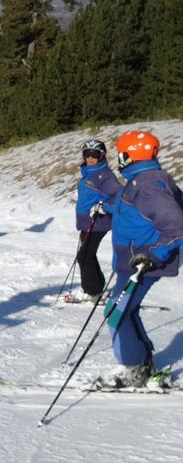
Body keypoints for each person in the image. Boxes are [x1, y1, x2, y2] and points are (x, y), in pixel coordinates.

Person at [93, 131, 183, 389]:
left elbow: (176, 226)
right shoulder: (140, 181)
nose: (118, 159)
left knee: (116, 313)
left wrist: (154, 256)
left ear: (131, 154)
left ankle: (134, 370)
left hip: (143, 265)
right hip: (132, 262)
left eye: (121, 153)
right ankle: (142, 363)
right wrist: (106, 208)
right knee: (124, 310)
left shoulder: (147, 185)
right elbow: (131, 209)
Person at [69, 139, 122, 302]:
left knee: (84, 256)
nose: (90, 157)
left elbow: (119, 198)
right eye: (87, 154)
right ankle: (97, 287)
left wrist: (103, 206)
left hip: (99, 221)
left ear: (102, 155)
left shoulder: (104, 176)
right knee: (87, 254)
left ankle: (93, 291)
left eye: (94, 154)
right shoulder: (88, 173)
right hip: (87, 221)